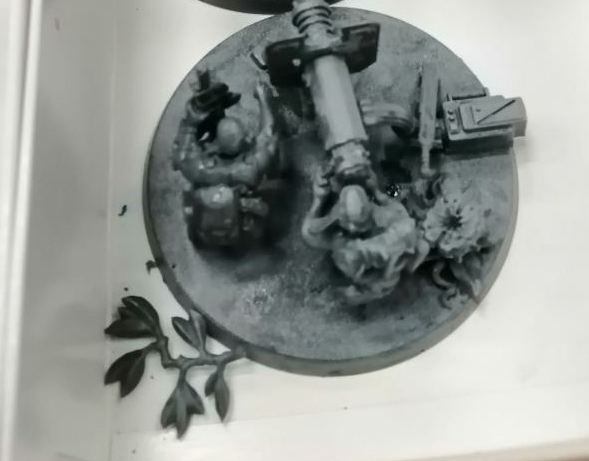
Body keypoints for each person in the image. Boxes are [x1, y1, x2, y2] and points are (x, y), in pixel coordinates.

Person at [174, 77, 282, 249]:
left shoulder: (199, 168)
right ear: (245, 141)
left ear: (215, 144)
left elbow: (182, 155)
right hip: (236, 225)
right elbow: (269, 135)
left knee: (189, 190)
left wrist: (191, 121)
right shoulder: (250, 168)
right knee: (264, 211)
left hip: (204, 227)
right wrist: (263, 98)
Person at [302, 173, 427, 305]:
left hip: (380, 271)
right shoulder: (337, 229)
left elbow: (405, 226)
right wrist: (319, 199)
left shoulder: (382, 215)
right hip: (358, 260)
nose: (353, 228)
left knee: (419, 249)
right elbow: (310, 232)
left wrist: (378, 193)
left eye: (358, 224)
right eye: (350, 224)